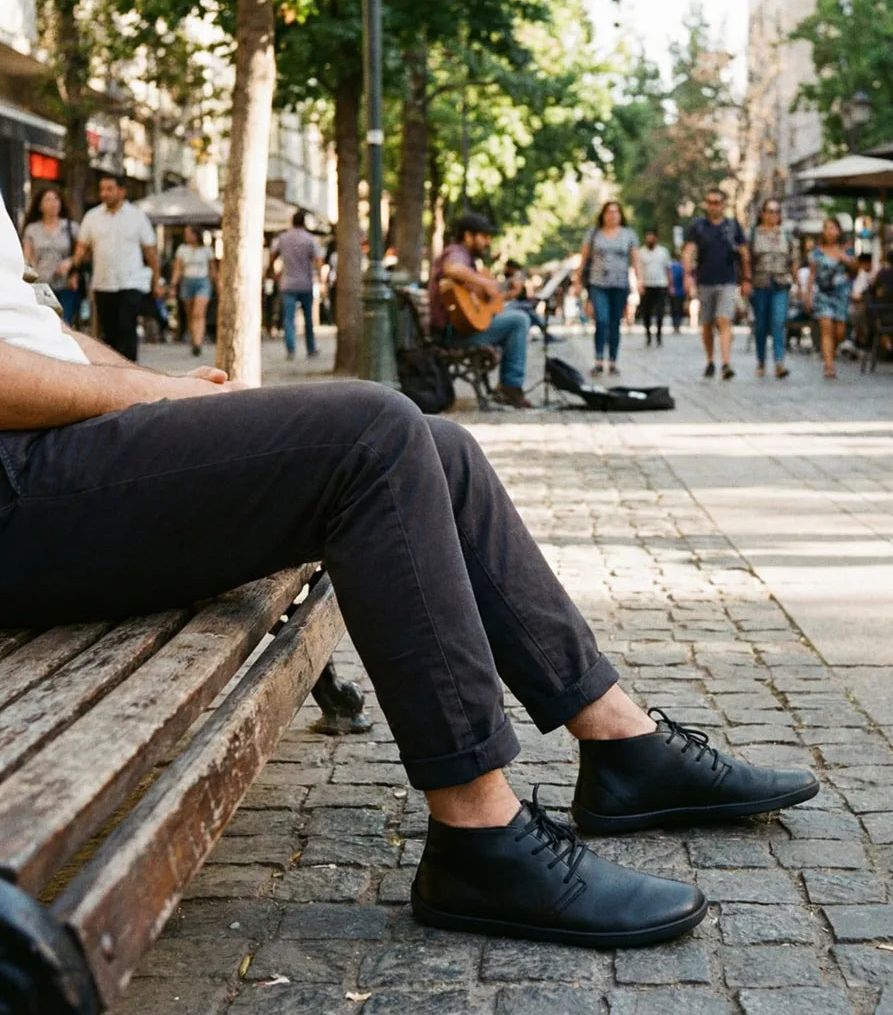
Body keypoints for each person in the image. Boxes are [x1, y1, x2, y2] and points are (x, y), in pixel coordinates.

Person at [0, 189, 819, 948]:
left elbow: (35, 328)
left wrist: (157, 382)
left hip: (53, 458)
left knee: (438, 445)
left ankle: (622, 746)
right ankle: (479, 835)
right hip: (18, 483)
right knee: (375, 435)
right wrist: (155, 398)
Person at [430, 211, 532, 408]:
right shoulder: (457, 252)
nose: (488, 242)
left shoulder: (468, 260)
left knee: (518, 314)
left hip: (463, 328)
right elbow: (453, 268)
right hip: (452, 335)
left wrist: (508, 294)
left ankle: (509, 384)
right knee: (519, 320)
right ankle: (510, 386)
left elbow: (482, 307)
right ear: (468, 235)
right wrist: (486, 283)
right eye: (484, 236)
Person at [72, 174, 159, 361]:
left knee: (127, 326)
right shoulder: (92, 217)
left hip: (131, 281)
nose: (105, 193)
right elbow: (82, 247)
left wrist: (157, 279)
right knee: (109, 331)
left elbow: (150, 250)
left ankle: (129, 367)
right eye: (102, 189)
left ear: (121, 191)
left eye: (109, 189)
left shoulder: (137, 216)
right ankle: (113, 367)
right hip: (103, 282)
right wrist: (73, 269)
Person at [682, 188, 749, 381]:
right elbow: (688, 251)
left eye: (717, 202)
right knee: (707, 324)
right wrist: (687, 275)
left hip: (727, 280)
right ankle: (710, 360)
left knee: (724, 320)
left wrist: (747, 278)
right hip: (705, 281)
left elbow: (744, 253)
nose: (714, 206)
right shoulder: (698, 226)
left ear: (724, 204)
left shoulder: (732, 226)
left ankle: (726, 363)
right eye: (710, 202)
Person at [573, 201, 642, 376]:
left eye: (616, 212)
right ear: (603, 214)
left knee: (615, 323)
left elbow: (635, 259)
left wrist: (639, 280)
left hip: (620, 284)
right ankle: (598, 360)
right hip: (598, 284)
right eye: (609, 212)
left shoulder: (629, 234)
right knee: (601, 320)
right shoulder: (594, 233)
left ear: (621, 215)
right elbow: (584, 258)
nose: (612, 215)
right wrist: (577, 280)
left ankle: (612, 361)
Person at [748, 199, 795, 379]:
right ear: (762, 213)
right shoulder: (754, 234)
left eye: (777, 211)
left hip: (781, 283)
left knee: (778, 321)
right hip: (760, 284)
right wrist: (746, 281)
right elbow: (747, 260)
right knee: (761, 324)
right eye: (770, 211)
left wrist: (798, 283)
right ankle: (761, 361)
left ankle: (779, 362)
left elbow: (793, 260)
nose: (773, 215)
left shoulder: (786, 234)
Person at [21, 186, 81, 327]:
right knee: (45, 324)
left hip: (66, 284)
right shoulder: (32, 229)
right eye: (48, 200)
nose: (53, 203)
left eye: (56, 199)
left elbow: (82, 254)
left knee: (64, 323)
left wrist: (71, 263)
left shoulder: (71, 227)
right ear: (40, 205)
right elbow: (27, 256)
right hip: (41, 285)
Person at [806, 217, 856, 379]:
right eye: (827, 228)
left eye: (833, 228)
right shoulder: (816, 252)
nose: (830, 231)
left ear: (839, 231)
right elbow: (812, 275)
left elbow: (856, 269)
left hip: (841, 294)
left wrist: (843, 257)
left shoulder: (847, 250)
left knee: (840, 331)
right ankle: (829, 365)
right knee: (826, 328)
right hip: (823, 294)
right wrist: (807, 296)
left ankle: (831, 352)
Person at [269, 210, 323, 361]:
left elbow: (272, 256)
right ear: (304, 223)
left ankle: (290, 349)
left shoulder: (283, 238)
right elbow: (318, 260)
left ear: (292, 222)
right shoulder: (310, 239)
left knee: (289, 318)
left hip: (287, 283)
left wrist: (273, 273)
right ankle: (311, 348)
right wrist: (320, 278)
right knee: (308, 319)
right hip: (306, 283)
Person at [170, 225, 218, 357]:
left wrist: (217, 285)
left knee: (199, 313)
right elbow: (178, 269)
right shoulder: (182, 249)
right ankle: (194, 339)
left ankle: (198, 342)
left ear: (196, 235)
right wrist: (173, 285)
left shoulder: (207, 250)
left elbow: (213, 270)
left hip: (203, 282)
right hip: (187, 282)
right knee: (190, 314)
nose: (186, 236)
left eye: (189, 233)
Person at [639, 230, 673, 348]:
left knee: (659, 312)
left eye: (651, 237)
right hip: (646, 286)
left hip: (660, 285)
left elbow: (668, 269)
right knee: (646, 313)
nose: (650, 240)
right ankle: (648, 336)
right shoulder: (641, 252)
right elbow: (638, 269)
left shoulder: (663, 252)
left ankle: (659, 336)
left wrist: (671, 285)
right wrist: (639, 284)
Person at [669, 256, 685, 333]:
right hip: (680, 291)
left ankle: (675, 325)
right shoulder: (682, 267)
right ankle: (677, 325)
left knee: (674, 309)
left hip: (674, 291)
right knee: (679, 309)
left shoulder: (672, 266)